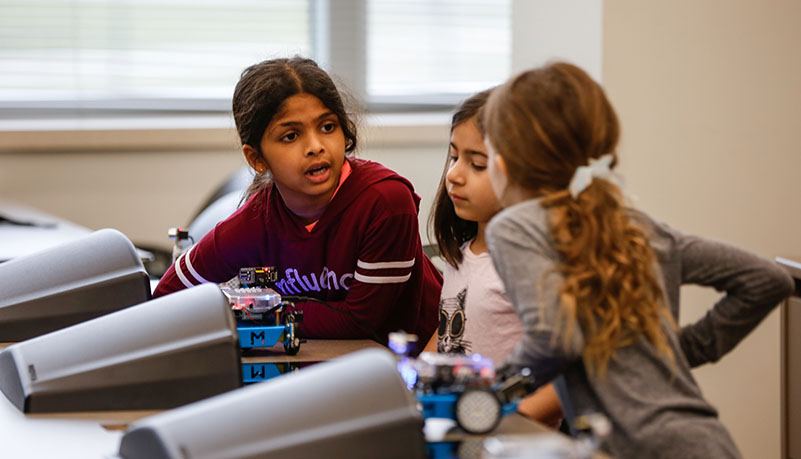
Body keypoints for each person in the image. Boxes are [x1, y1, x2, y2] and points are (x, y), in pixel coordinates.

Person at [481, 61, 794, 458]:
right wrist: (680, 350)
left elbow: (554, 337)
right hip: (708, 441)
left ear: (502, 161)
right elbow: (768, 279)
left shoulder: (514, 227)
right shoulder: (637, 226)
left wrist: (486, 393)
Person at [154, 57, 441, 345]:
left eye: (328, 127)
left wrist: (254, 312)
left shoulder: (385, 202)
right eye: (291, 136)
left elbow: (362, 320)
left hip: (421, 371)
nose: (316, 146)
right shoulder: (254, 221)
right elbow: (164, 301)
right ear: (256, 158)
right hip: (327, 368)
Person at [422, 89, 562, 428]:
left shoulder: (534, 267)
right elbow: (448, 339)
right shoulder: (462, 255)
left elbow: (566, 376)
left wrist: (507, 419)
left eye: (477, 164)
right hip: (458, 427)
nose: (454, 174)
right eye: (454, 157)